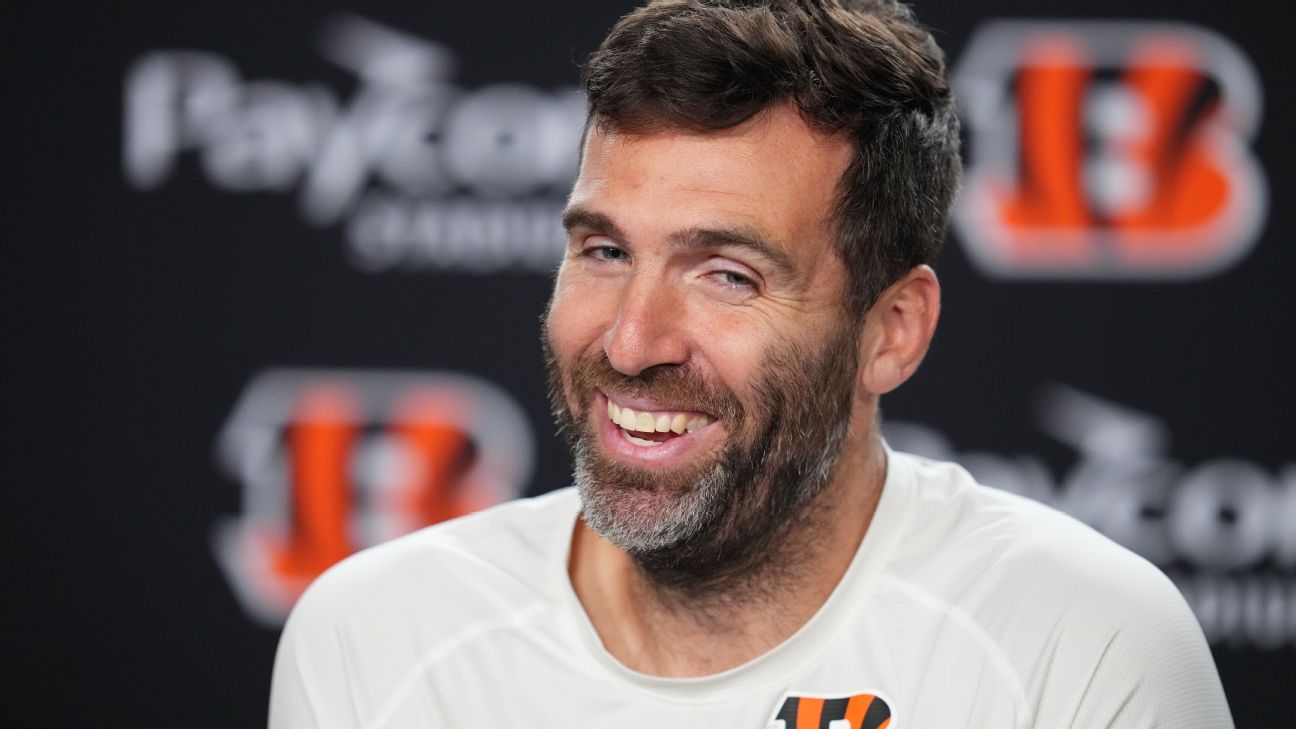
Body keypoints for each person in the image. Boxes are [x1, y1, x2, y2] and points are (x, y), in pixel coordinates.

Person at [269, 1, 1233, 727]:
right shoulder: (378, 639)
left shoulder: (1082, 646)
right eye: (604, 251)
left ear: (892, 330)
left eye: (727, 274)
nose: (631, 342)